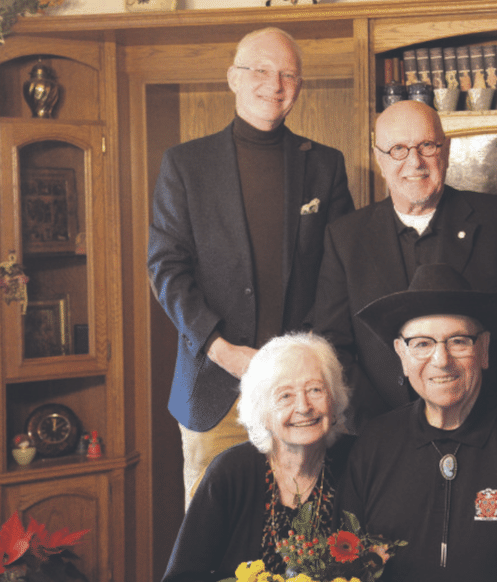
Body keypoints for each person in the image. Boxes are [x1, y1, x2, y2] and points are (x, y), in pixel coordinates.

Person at [147, 27, 355, 506]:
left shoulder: (325, 165)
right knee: (214, 534)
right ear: (233, 79)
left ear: (299, 86)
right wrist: (221, 349)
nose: (274, 84)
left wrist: (311, 360)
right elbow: (166, 269)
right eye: (260, 71)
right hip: (215, 389)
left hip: (302, 392)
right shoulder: (184, 164)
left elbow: (338, 274)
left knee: (306, 530)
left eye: (287, 74)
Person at [310, 99, 497, 431]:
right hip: (384, 434)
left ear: (446, 149)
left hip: (491, 428)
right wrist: (380, 429)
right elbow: (331, 348)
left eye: (427, 145)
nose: (414, 162)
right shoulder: (345, 238)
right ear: (379, 159)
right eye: (398, 149)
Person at [338, 263, 497, 582]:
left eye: (458, 342)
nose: (441, 360)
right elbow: (348, 563)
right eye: (422, 343)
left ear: (483, 349)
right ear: (402, 354)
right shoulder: (374, 443)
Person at [162, 332, 355, 582]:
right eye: (285, 396)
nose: (304, 406)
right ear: (262, 412)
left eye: (315, 389)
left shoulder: (361, 462)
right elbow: (181, 577)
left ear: (334, 398)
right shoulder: (230, 472)